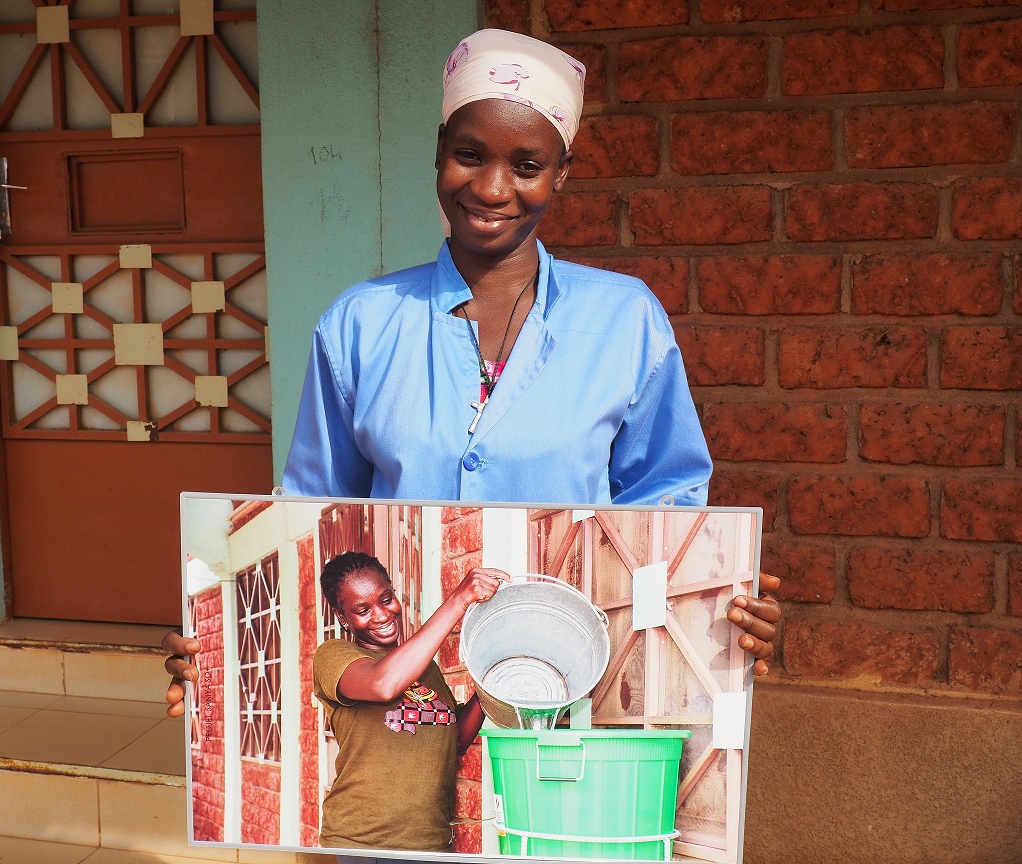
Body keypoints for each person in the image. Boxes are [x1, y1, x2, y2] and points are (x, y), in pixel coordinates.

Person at [166, 28, 779, 714]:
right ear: (437, 154)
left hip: (578, 683)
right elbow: (307, 526)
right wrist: (223, 652)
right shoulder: (360, 325)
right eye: (468, 155)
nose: (492, 188)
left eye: (527, 165)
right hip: (407, 700)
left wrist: (723, 613)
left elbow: (671, 514)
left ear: (562, 173)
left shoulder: (624, 323)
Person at [310, 552, 505, 852]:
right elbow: (383, 684)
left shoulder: (426, 669)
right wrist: (459, 599)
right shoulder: (334, 656)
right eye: (362, 609)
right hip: (359, 846)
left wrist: (492, 677)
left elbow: (456, 741)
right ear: (342, 617)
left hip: (431, 845)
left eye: (385, 599)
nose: (382, 615)